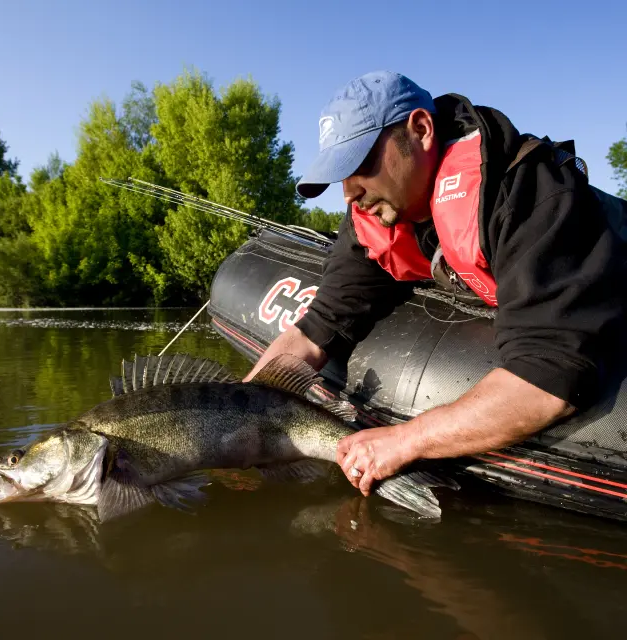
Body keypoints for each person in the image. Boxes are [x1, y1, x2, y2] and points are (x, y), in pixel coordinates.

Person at [244, 70, 627, 497]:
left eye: (360, 164)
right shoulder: (375, 216)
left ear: (422, 130)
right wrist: (235, 411)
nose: (349, 193)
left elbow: (550, 377)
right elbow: (316, 328)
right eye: (340, 176)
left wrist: (405, 441)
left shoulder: (529, 193)